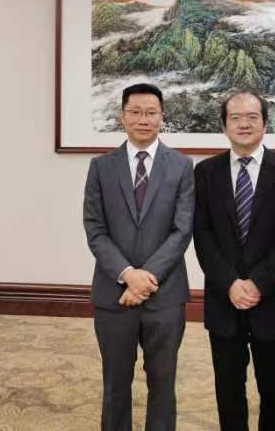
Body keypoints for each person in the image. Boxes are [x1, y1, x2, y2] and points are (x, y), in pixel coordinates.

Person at [193, 91, 275, 431]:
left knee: (274, 392)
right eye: (235, 117)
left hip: (272, 300)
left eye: (252, 117)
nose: (243, 124)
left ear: (265, 123)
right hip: (223, 300)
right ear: (223, 125)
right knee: (228, 392)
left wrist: (257, 283)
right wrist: (230, 283)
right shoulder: (205, 172)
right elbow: (202, 236)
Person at [83, 83, 194, 431]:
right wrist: (128, 274)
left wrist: (147, 278)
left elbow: (182, 230)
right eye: (135, 112)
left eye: (150, 112)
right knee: (115, 385)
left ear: (162, 117)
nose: (143, 119)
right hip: (113, 294)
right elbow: (95, 229)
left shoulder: (182, 166)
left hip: (166, 297)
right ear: (122, 117)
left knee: (163, 384)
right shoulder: (101, 167)